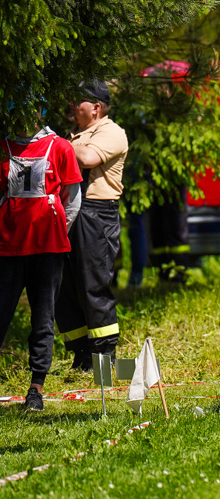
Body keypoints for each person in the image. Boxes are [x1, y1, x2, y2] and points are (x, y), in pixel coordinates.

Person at [0, 115, 82, 411]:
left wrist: (57, 229)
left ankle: (36, 388)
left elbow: (72, 200)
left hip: (47, 248)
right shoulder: (3, 146)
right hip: (8, 247)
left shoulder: (61, 147)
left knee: (43, 318)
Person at [55, 80, 128, 370]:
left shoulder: (111, 132)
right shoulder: (75, 135)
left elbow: (86, 158)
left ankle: (104, 358)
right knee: (66, 287)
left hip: (97, 214)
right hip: (70, 211)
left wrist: (58, 143)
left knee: (93, 286)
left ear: (96, 108)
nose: (72, 106)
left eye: (78, 101)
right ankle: (81, 354)